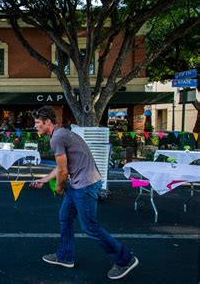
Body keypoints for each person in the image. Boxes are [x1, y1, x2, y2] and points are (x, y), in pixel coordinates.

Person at [30, 106, 138, 280]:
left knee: (90, 227)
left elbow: (63, 171)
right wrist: (45, 179)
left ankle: (125, 259)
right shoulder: (63, 133)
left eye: (37, 122)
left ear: (47, 121)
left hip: (85, 185)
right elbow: (61, 167)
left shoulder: (56, 138)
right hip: (79, 184)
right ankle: (65, 256)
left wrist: (58, 188)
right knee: (65, 217)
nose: (35, 126)